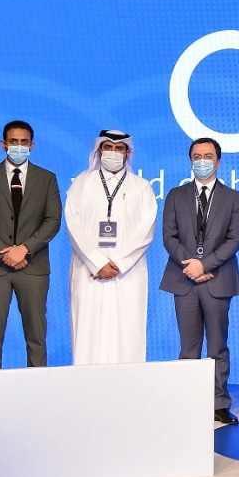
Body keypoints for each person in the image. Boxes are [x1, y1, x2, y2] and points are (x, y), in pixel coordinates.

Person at [160, 137, 239, 425]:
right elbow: (169, 237)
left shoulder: (233, 197)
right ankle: (188, 403)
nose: (202, 161)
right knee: (188, 348)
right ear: (191, 160)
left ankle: (219, 404)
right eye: (197, 156)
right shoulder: (175, 195)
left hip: (217, 279)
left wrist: (205, 264)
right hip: (183, 279)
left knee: (218, 346)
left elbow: (235, 239)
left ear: (218, 161)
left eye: (208, 156)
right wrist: (191, 265)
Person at [0, 120, 62, 369]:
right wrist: (5, 253)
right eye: (13, 142)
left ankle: (37, 390)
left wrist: (25, 249)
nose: (18, 146)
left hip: (33, 267)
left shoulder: (47, 178)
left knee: (36, 335)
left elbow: (53, 220)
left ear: (32, 145)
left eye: (23, 142)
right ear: (3, 144)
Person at [64, 130, 158, 365]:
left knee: (127, 332)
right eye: (108, 147)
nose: (113, 153)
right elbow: (73, 225)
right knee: (87, 331)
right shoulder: (81, 183)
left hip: (127, 273)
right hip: (89, 272)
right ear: (98, 150)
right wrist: (98, 262)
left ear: (127, 153)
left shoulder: (142, 187)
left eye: (119, 148)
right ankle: (86, 392)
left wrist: (118, 263)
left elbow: (146, 229)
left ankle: (126, 392)